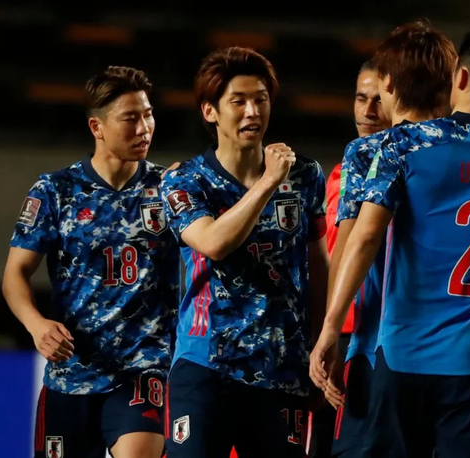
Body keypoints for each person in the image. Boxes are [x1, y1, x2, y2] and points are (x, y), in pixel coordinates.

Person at [311, 22, 470, 457]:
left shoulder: (403, 145)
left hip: (404, 349)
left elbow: (360, 239)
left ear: (461, 76)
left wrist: (330, 329)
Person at [2, 66, 180, 458]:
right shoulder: (55, 190)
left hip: (143, 368)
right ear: (97, 127)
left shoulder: (169, 188)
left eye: (148, 115)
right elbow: (15, 273)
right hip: (72, 373)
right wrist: (36, 324)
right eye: (130, 118)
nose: (144, 128)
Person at [161, 46, 329, 458]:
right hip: (205, 367)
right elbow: (213, 242)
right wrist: (268, 182)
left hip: (282, 368)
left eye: (261, 99)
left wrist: (323, 340)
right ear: (210, 111)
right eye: (238, 101)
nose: (253, 111)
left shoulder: (305, 175)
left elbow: (317, 263)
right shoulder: (184, 180)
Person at [319, 21, 456, 458]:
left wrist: (331, 330)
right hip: (464, 350)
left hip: (384, 344)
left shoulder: (370, 152)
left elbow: (352, 243)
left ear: (391, 84)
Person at [309, 58, 392, 458]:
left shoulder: (403, 170)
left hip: (374, 338)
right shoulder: (342, 172)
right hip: (336, 330)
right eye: (361, 98)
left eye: (378, 100)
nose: (368, 111)